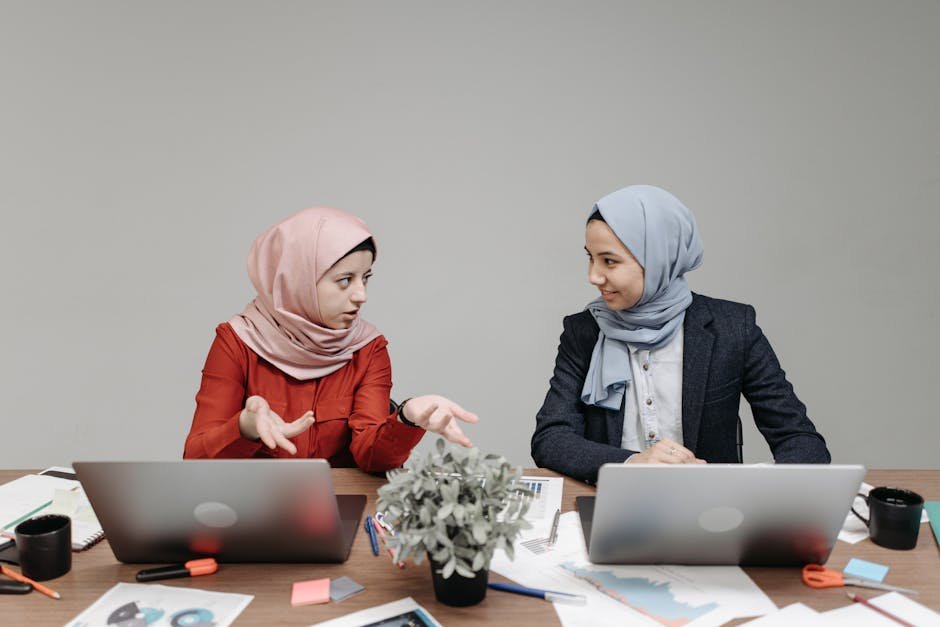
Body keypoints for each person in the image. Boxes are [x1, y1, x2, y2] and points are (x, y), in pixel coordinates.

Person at [531, 185, 830, 483]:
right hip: (611, 503)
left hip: (712, 512)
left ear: (658, 257)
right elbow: (551, 438)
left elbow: (801, 440)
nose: (593, 276)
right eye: (590, 258)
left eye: (609, 261)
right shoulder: (583, 331)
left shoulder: (733, 328)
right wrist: (631, 463)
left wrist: (762, 496)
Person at [184, 207, 477, 472]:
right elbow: (194, 461)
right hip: (254, 517)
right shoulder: (236, 342)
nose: (361, 295)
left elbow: (371, 458)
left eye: (366, 278)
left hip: (342, 514)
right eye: (345, 280)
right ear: (297, 281)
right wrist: (245, 427)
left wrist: (406, 417)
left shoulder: (368, 348)